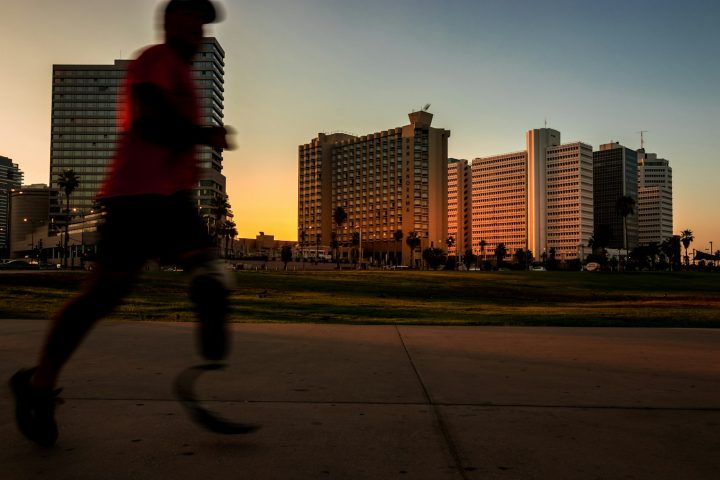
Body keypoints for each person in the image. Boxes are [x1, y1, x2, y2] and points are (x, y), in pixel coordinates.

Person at [9, 0, 232, 447]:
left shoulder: (185, 76)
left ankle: (209, 342)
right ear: (171, 21)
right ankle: (37, 386)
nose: (199, 28)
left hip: (172, 200)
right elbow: (149, 120)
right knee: (99, 299)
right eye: (192, 17)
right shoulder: (154, 60)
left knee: (210, 277)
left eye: (203, 22)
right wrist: (202, 134)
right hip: (134, 197)